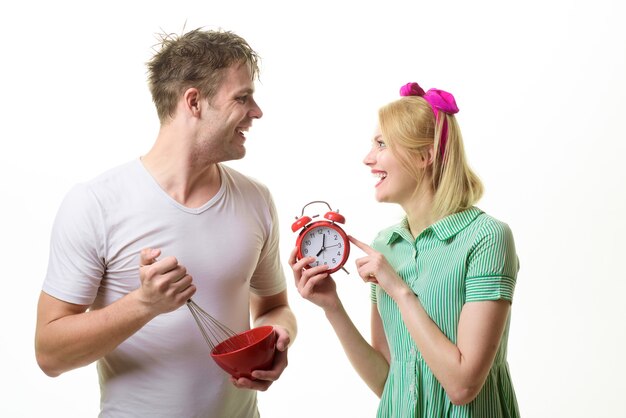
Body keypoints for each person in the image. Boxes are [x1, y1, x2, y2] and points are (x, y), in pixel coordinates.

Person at [35, 27, 297, 418]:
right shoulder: (96, 203)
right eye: (242, 98)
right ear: (193, 102)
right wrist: (143, 304)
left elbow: (275, 306)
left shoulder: (256, 199)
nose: (256, 111)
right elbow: (49, 354)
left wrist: (279, 338)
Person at [290, 81, 520, 417]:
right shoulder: (387, 244)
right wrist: (332, 306)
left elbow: (462, 386)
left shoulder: (487, 238)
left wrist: (398, 290)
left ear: (425, 155)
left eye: (381, 144)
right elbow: (388, 381)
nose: (368, 158)